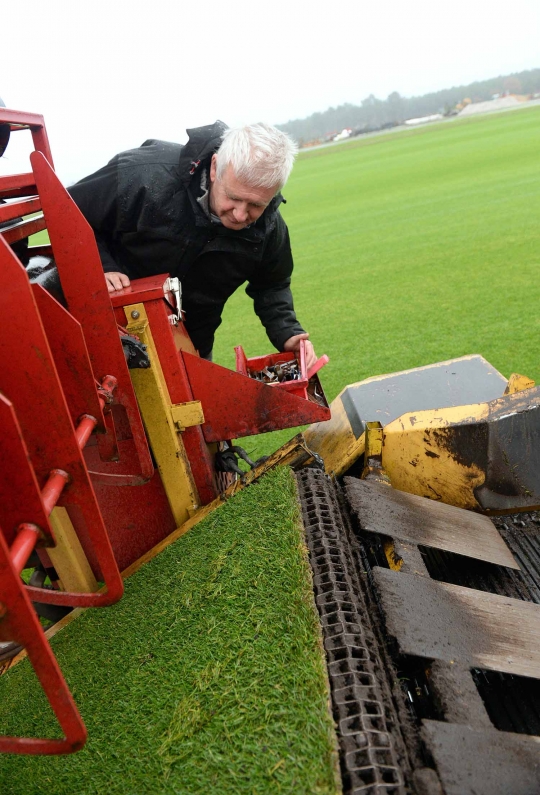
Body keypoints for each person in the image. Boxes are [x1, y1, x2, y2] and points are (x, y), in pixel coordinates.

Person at [68, 122, 317, 367]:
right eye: (233, 197)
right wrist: (101, 265)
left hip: (192, 346)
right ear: (214, 167)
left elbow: (272, 285)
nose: (240, 215)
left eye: (256, 205)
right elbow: (68, 211)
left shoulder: (268, 228)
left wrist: (288, 332)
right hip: (110, 330)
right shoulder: (142, 175)